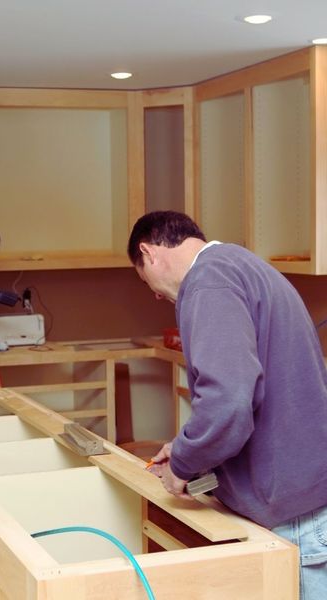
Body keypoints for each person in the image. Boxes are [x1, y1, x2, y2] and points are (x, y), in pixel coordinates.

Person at [127, 210, 327, 599]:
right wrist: (185, 444)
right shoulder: (242, 264)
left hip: (295, 513)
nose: (153, 293)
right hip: (307, 493)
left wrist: (184, 464)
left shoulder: (208, 283)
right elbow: (249, 394)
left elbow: (229, 401)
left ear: (148, 253)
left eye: (144, 279)